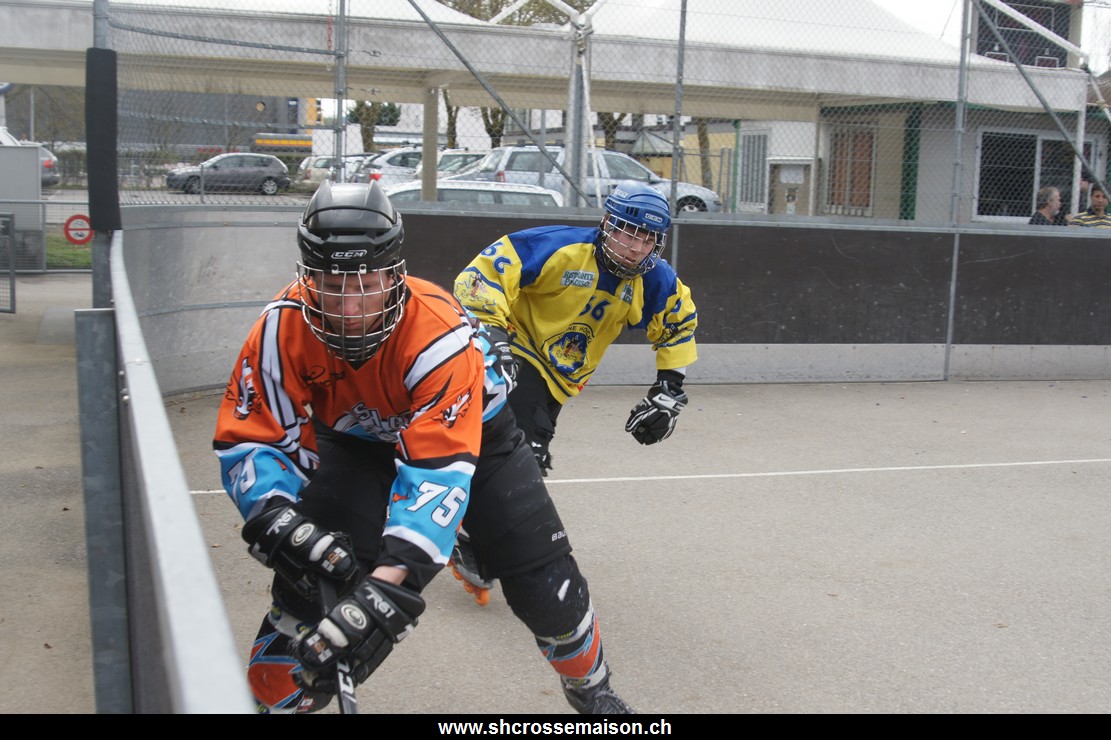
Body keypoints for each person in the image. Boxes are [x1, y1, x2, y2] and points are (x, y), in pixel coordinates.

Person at [213, 180, 634, 715]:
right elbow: (254, 435)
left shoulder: (439, 334)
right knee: (310, 582)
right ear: (307, 277)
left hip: (480, 437)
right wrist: (273, 513)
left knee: (544, 584)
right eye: (331, 284)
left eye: (366, 283)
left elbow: (435, 478)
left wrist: (391, 585)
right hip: (358, 443)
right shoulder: (280, 326)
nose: (349, 307)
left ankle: (591, 688)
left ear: (395, 274)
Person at [450, 181, 697, 605]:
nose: (635, 247)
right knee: (522, 455)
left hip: (560, 380)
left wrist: (668, 391)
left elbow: (678, 325)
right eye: (627, 233)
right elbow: (483, 274)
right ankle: (471, 537)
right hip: (516, 350)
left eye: (647, 238)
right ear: (607, 224)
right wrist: (491, 332)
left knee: (508, 452)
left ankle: (457, 510)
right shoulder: (559, 247)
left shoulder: (655, 280)